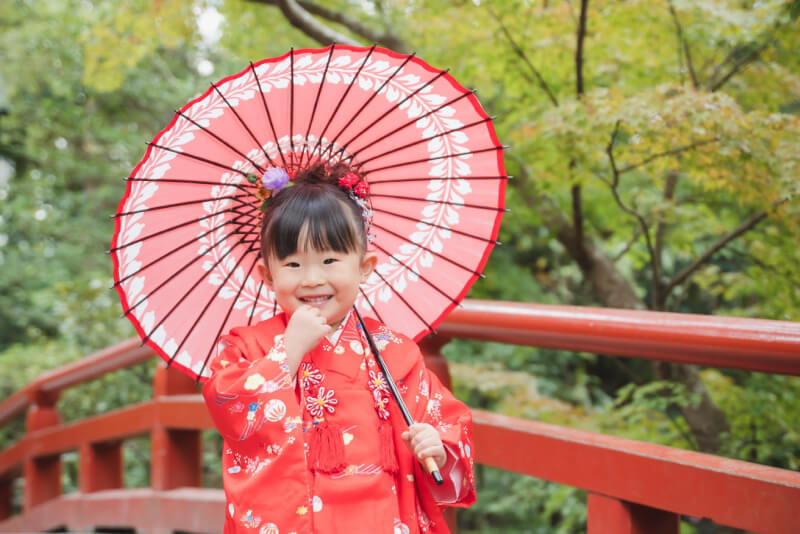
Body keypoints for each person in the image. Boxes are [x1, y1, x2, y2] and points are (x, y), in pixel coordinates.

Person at [201, 162, 476, 534]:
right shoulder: (250, 346)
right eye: (294, 264)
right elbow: (227, 407)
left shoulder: (395, 351)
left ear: (365, 267)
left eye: (330, 260)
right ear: (268, 275)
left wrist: (437, 447)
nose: (313, 279)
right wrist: (287, 353)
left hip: (385, 519)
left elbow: (445, 422)